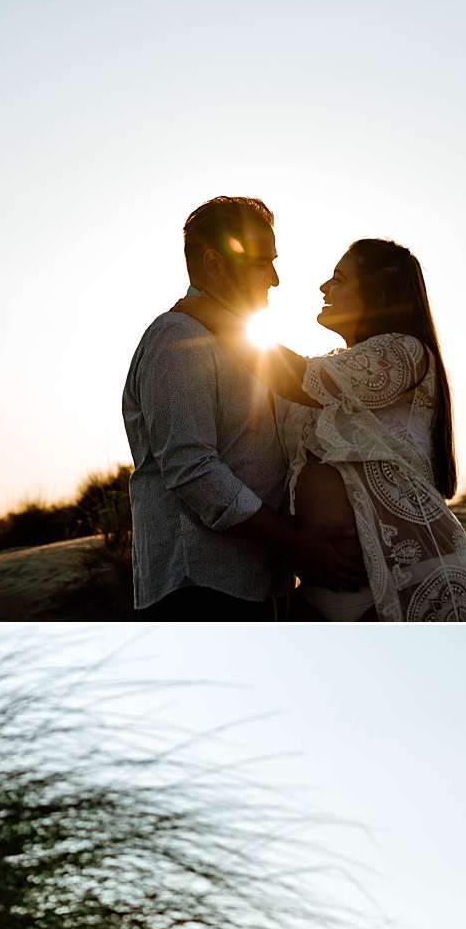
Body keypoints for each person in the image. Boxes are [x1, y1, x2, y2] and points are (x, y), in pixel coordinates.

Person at [173, 238, 466, 621]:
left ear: (380, 291)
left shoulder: (405, 354)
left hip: (408, 576)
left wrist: (216, 317)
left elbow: (294, 378)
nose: (324, 288)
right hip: (325, 590)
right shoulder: (332, 369)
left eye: (338, 278)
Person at [121, 196, 365, 619]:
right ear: (214, 263)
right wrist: (294, 542)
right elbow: (192, 468)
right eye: (261, 263)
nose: (275, 279)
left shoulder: (252, 347)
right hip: (198, 591)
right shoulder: (176, 339)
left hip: (261, 587)